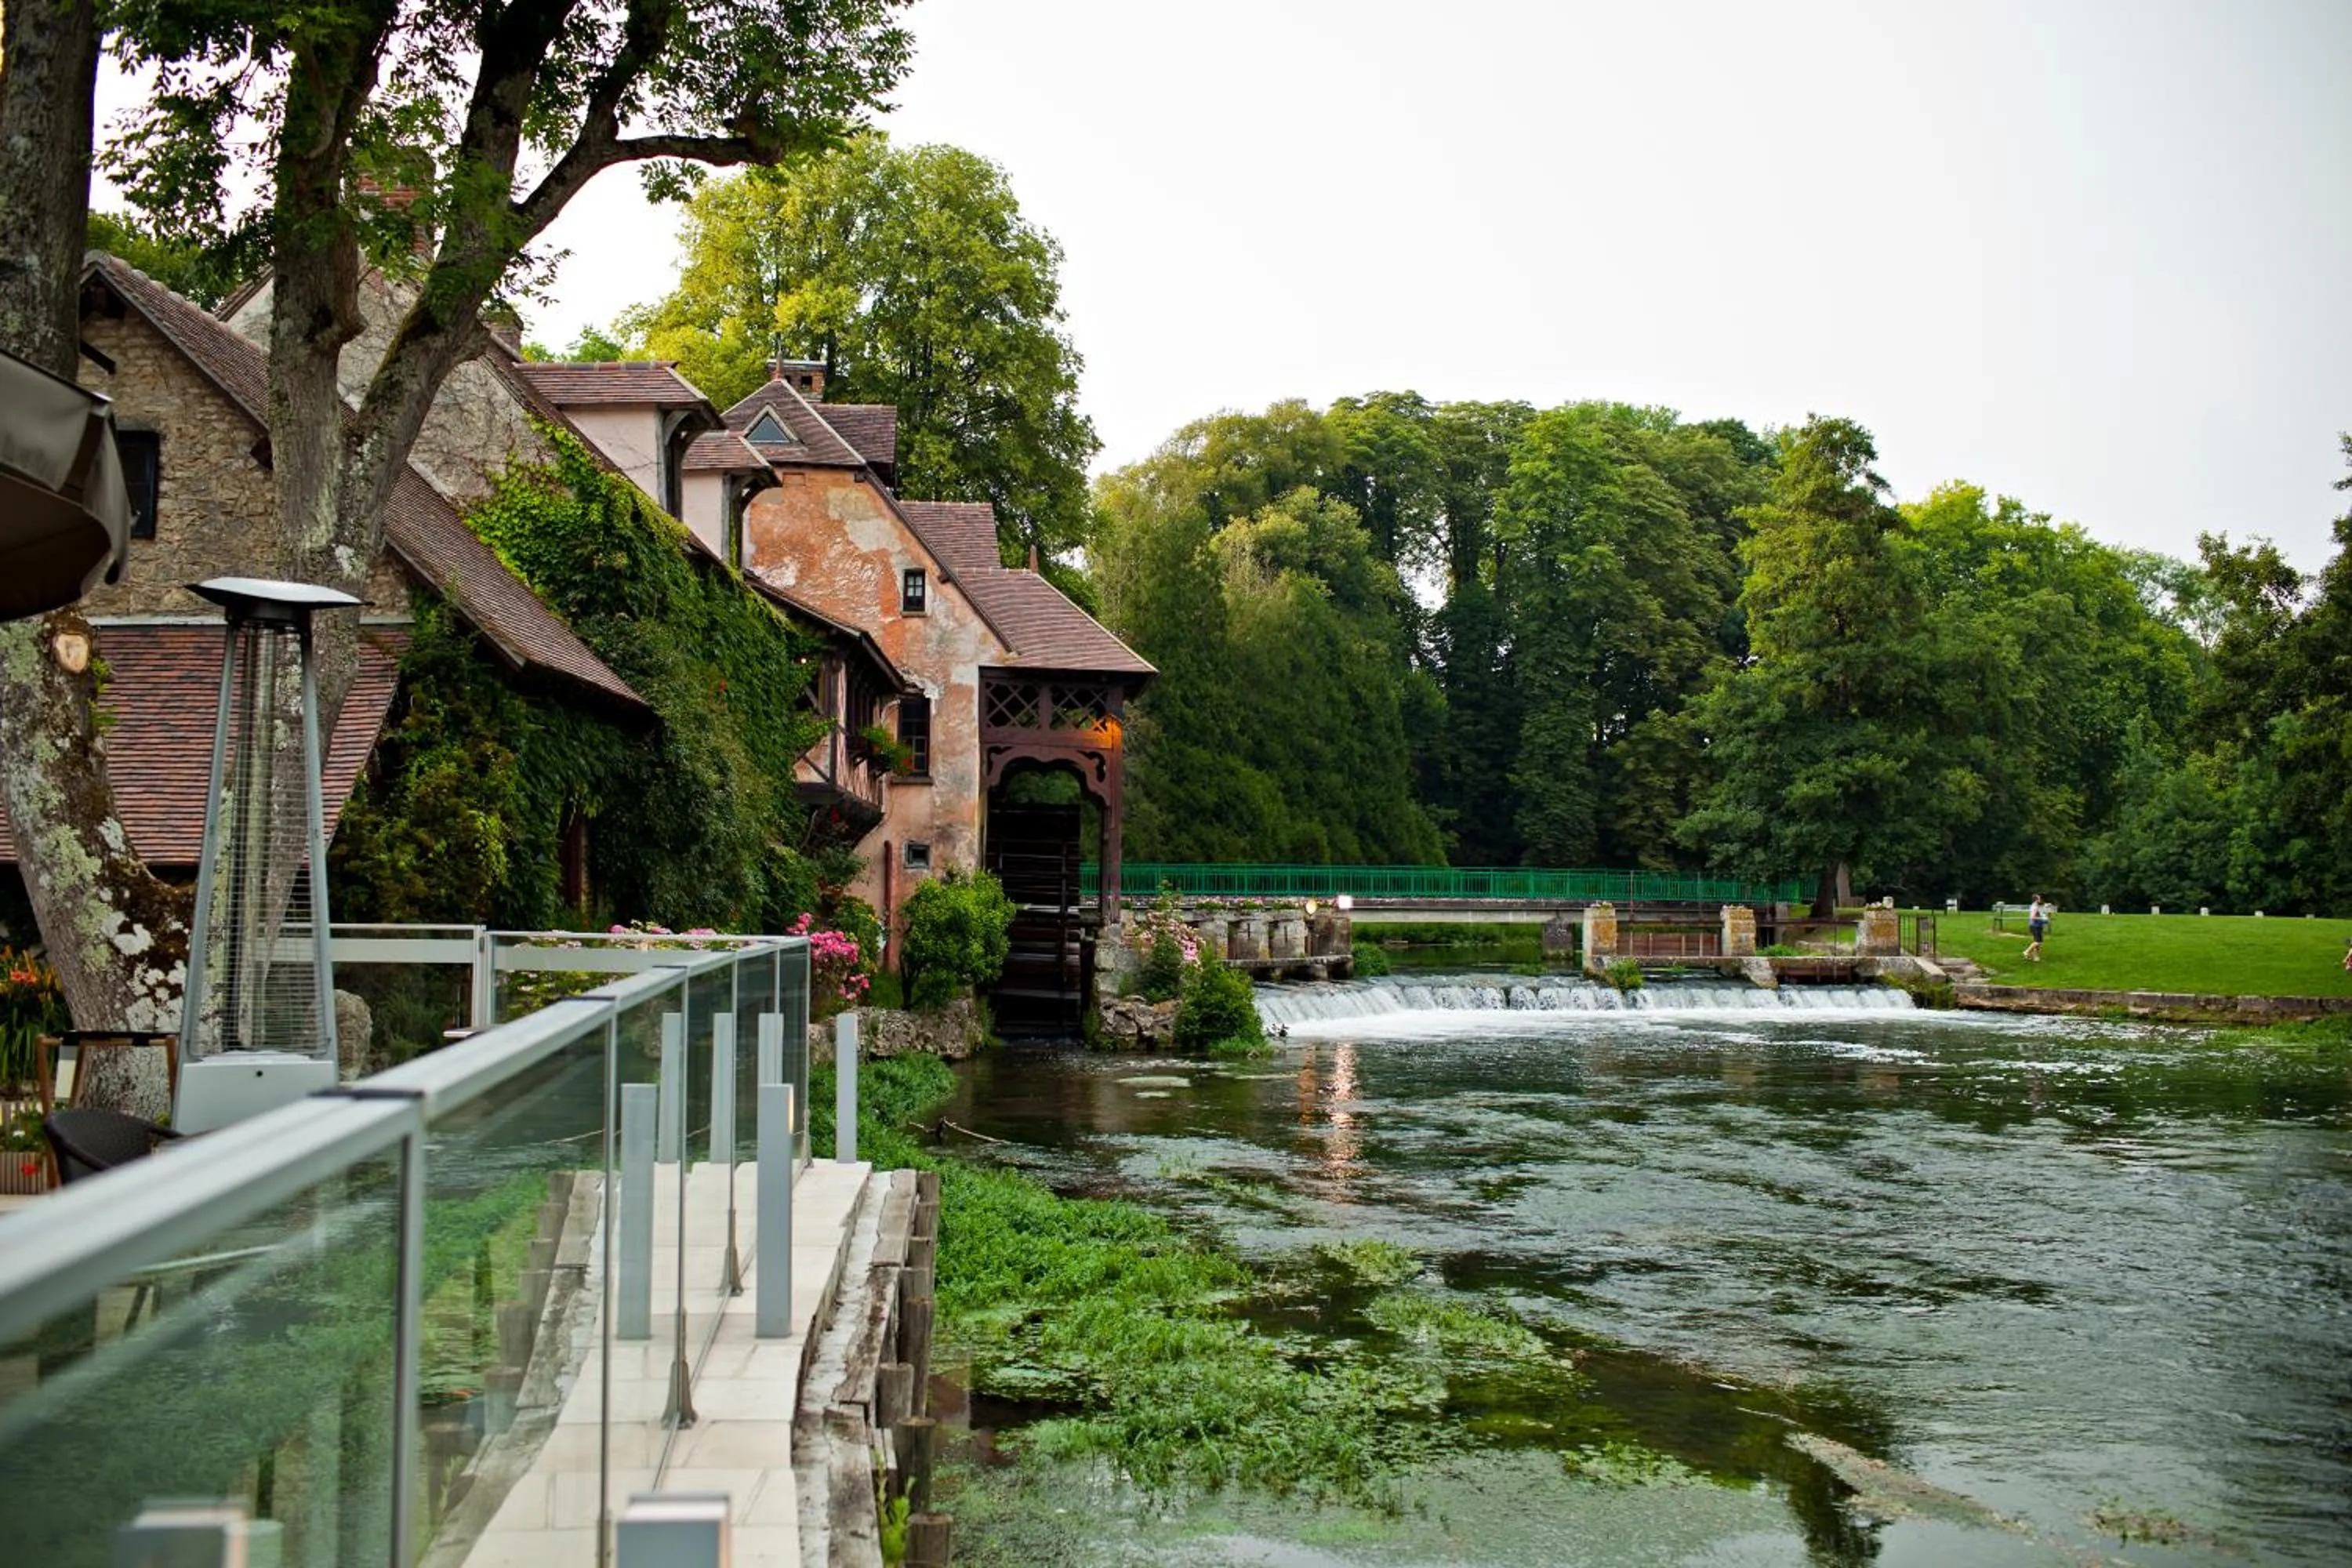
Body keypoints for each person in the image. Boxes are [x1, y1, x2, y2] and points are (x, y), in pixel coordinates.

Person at [2024, 895, 2051, 962]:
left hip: (2039, 925)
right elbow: (2033, 917)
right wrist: (2043, 919)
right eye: (2038, 899)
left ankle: (2035, 957)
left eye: (2040, 899)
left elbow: (2048, 914)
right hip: (2034, 925)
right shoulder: (2035, 907)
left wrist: (2049, 911)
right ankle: (2027, 952)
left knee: (2037, 942)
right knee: (2038, 942)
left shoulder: (2043, 905)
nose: (2038, 900)